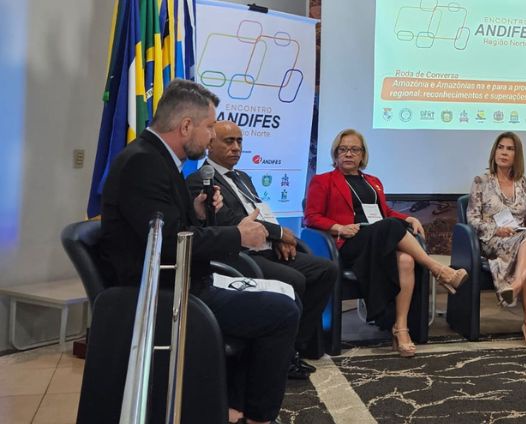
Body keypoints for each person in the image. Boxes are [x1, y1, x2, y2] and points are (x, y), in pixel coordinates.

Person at [100, 79, 296, 424]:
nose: (211, 136)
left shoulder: (156, 158)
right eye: (209, 127)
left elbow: (168, 227)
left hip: (183, 282)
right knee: (283, 312)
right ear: (186, 126)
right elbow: (168, 243)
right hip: (165, 294)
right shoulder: (143, 163)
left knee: (282, 294)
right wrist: (238, 236)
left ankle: (228, 404)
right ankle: (257, 416)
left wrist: (198, 211)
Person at [186, 120, 337, 378]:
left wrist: (278, 239)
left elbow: (258, 213)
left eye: (239, 141)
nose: (236, 147)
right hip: (239, 255)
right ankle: (283, 354)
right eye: (229, 141)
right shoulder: (200, 180)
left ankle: (293, 345)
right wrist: (279, 233)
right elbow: (230, 221)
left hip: (266, 248)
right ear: (210, 144)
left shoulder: (242, 177)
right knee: (294, 279)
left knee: (325, 270)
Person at [303, 129, 468, 358]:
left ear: (362, 154)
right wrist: (339, 228)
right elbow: (311, 217)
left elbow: (385, 213)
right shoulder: (323, 181)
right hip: (350, 243)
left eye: (354, 150)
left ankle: (401, 328)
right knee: (389, 226)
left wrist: (408, 218)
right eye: (343, 149)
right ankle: (439, 270)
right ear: (335, 153)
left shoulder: (373, 182)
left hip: (379, 239)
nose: (348, 154)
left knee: (406, 260)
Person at [466, 132, 526, 349]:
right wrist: (496, 229)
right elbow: (472, 219)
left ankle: (516, 286)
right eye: (500, 147)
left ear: (517, 155)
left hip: (522, 238)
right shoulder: (481, 181)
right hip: (493, 241)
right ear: (494, 152)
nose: (504, 152)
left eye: (510, 149)